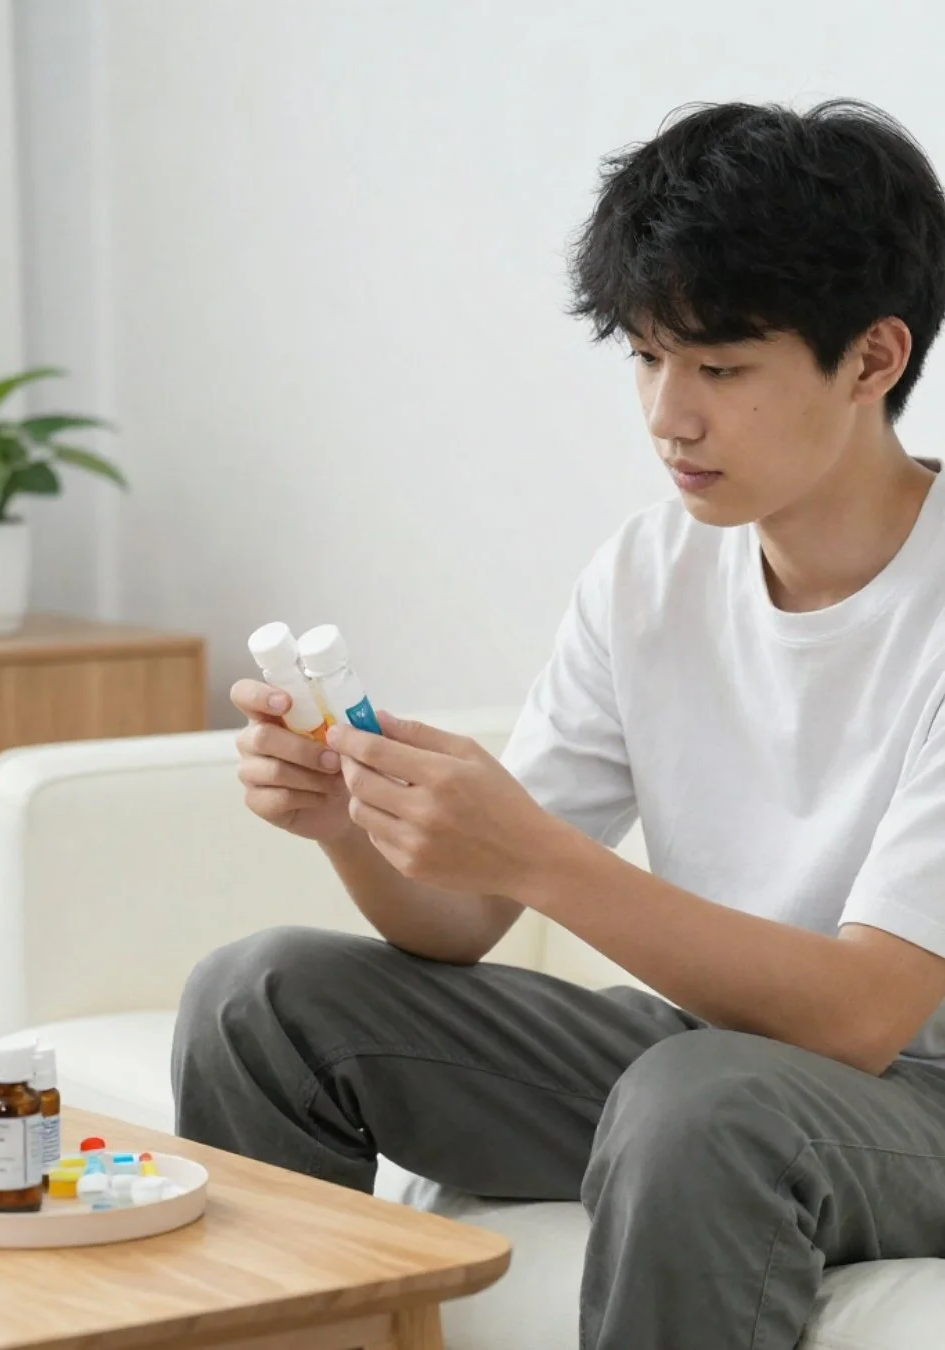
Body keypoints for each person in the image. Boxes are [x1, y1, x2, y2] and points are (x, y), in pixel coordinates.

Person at [172, 100, 945, 1349]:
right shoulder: (647, 574)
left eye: (721, 368)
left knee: (697, 1100)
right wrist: (351, 821)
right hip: (713, 1059)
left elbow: (866, 1017)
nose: (667, 415)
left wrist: (532, 849)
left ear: (871, 359)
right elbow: (463, 923)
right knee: (259, 997)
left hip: (913, 1096)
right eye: (647, 358)